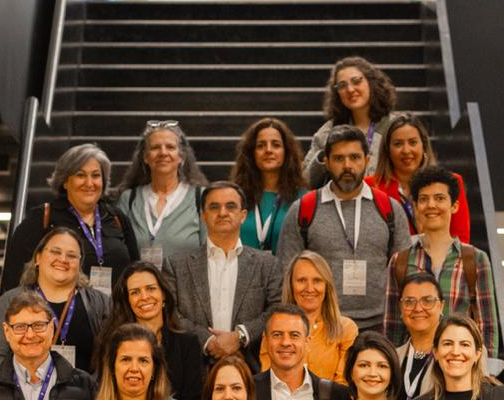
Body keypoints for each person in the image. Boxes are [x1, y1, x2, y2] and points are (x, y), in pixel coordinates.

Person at [277, 126, 409, 333]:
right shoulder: (303, 209)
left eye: (355, 157)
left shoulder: (390, 209)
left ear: (367, 160)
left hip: (379, 324)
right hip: (321, 325)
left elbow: (405, 272)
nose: (347, 165)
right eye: (339, 158)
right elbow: (286, 272)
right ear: (327, 162)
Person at [384, 165, 500, 360]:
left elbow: (487, 325)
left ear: (454, 205)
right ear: (415, 206)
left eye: (439, 198)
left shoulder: (474, 259)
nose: (431, 205)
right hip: (414, 363)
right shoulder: (400, 261)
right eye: (423, 199)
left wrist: (487, 369)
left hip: (459, 362)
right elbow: (392, 326)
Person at [167, 181, 282, 363]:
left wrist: (240, 336)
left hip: (250, 367)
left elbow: (276, 310)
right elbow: (171, 313)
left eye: (230, 206)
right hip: (193, 367)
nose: (222, 213)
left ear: (243, 216)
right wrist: (208, 341)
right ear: (203, 216)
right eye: (214, 207)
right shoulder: (176, 265)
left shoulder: (267, 264)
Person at [1, 143, 138, 292]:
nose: (89, 183)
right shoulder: (42, 218)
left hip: (114, 306)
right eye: (80, 175)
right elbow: (13, 277)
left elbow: (136, 271)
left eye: (96, 175)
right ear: (65, 181)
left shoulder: (117, 218)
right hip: (56, 307)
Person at [0, 227, 105, 375]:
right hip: (22, 389)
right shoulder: (8, 302)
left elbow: (110, 357)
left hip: (85, 390)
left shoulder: (100, 303)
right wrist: (22, 387)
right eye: (55, 252)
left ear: (80, 264)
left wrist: (91, 387)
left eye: (72, 255)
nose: (63, 259)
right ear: (38, 258)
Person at [106, 260, 204, 400]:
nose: (144, 297)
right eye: (135, 292)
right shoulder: (113, 343)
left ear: (163, 294)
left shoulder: (188, 344)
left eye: (151, 289)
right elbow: (108, 394)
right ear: (127, 300)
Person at [367, 113, 471, 243]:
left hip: (443, 255)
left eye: (413, 142)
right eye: (398, 144)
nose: (406, 150)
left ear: (423, 145)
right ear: (388, 150)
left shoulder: (450, 182)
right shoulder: (370, 186)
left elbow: (461, 240)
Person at [259, 253, 358, 384]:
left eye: (317, 281)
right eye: (301, 280)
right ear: (290, 285)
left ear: (327, 286)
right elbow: (268, 380)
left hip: (331, 397)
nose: (309, 288)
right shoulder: (274, 327)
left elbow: (343, 384)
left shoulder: (346, 329)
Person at [116, 121, 207, 262]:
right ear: (145, 157)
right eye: (155, 147)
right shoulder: (128, 199)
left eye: (170, 147)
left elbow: (209, 251)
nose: (163, 153)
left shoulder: (200, 197)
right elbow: (119, 250)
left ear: (181, 156)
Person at [303, 56, 396, 186]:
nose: (350, 89)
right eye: (342, 85)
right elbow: (305, 181)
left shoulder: (395, 127)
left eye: (356, 81)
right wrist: (324, 155)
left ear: (371, 82)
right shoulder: (327, 132)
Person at [231, 117, 306, 255]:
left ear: (287, 152)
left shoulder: (304, 200)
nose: (268, 150)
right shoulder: (235, 197)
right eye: (260, 146)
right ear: (251, 153)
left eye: (276, 145)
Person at [391, 271, 444, 400]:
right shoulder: (392, 357)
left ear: (441, 306)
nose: (418, 308)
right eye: (409, 302)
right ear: (401, 308)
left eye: (427, 301)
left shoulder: (456, 355)